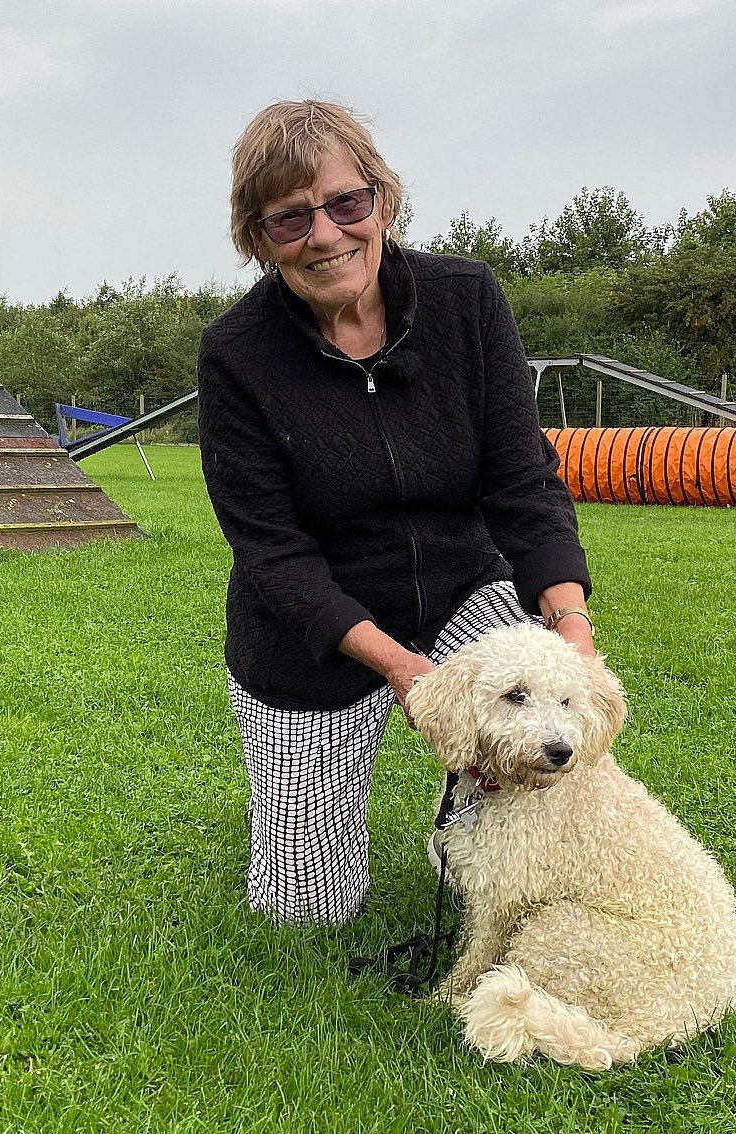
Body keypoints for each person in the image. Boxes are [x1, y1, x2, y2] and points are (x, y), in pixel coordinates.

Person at [198, 100, 595, 924]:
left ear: (384, 200)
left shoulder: (465, 298)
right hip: (314, 630)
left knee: (548, 738)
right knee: (306, 910)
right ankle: (295, 820)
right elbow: (272, 552)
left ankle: (470, 842)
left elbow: (523, 480)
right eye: (290, 219)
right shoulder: (235, 354)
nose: (327, 234)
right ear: (256, 236)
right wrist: (403, 669)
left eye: (349, 202)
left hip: (460, 587)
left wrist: (570, 621)